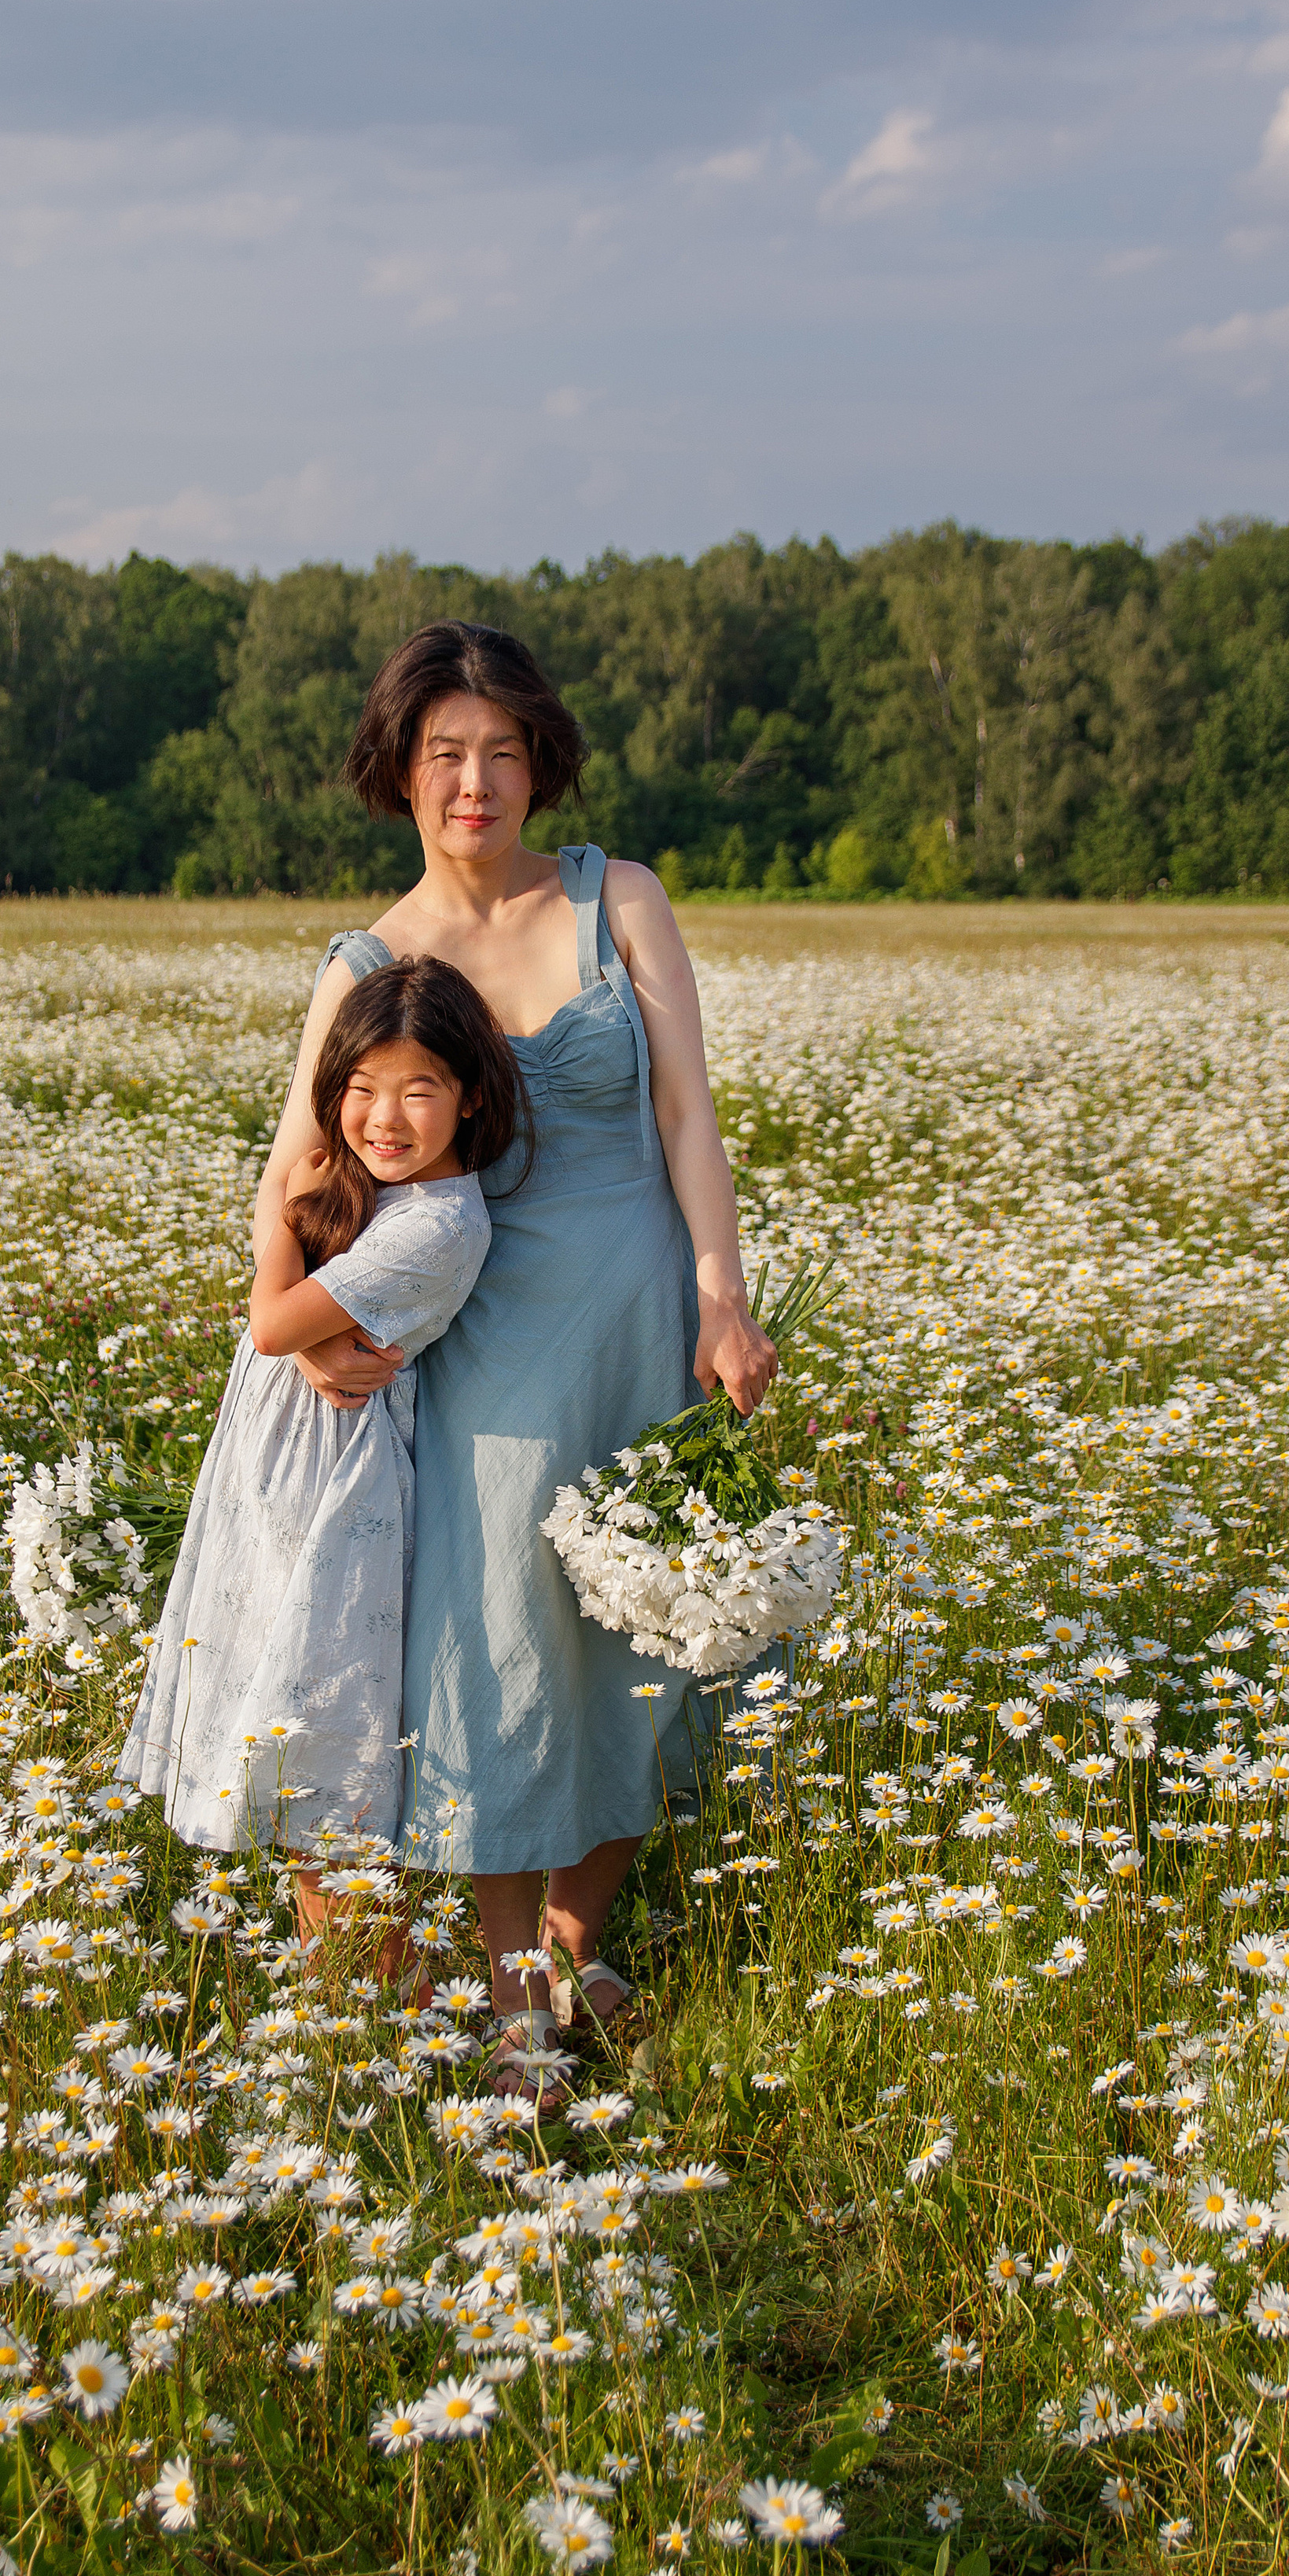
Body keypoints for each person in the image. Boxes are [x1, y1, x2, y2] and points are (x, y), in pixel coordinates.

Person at [252, 621, 778, 2102]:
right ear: (399, 774)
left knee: (643, 1630)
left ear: (539, 759)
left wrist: (721, 1300)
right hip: (475, 1346)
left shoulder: (626, 903)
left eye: (498, 751)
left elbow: (689, 1120)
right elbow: (289, 1168)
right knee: (497, 1647)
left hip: (640, 1329)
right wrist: (297, 1340)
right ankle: (514, 2001)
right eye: (442, 756)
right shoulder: (368, 960)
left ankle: (575, 1937)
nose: (474, 782)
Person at [121, 956, 522, 1956]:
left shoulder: (437, 1224)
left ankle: (368, 1994)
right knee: (288, 1720)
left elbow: (271, 1324)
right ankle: (349, 1984)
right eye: (361, 1088)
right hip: (278, 1472)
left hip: (334, 1488)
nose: (385, 1117)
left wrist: (275, 1223)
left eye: (418, 1089)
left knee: (319, 1729)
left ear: (470, 1096)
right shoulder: (378, 1194)